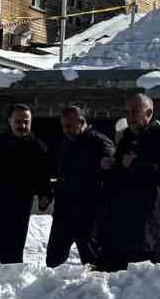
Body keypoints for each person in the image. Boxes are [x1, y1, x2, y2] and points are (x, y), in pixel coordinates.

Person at [100, 92, 160, 271]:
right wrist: (110, 168)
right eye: (127, 112)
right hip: (120, 224)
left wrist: (138, 165)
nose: (130, 118)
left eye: (135, 112)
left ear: (149, 113)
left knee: (141, 285)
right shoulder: (127, 137)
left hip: (145, 228)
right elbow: (120, 171)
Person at [0, 103, 51, 264]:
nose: (22, 125)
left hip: (19, 207)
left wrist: (45, 195)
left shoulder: (38, 147)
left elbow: (43, 177)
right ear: (10, 121)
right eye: (18, 121)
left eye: (26, 122)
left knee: (11, 253)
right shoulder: (0, 142)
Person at [46, 104, 113, 267]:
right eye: (63, 126)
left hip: (88, 212)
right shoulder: (64, 144)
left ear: (81, 121)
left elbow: (112, 172)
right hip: (64, 211)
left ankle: (97, 291)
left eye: (69, 126)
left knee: (92, 261)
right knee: (53, 259)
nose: (65, 130)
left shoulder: (99, 142)